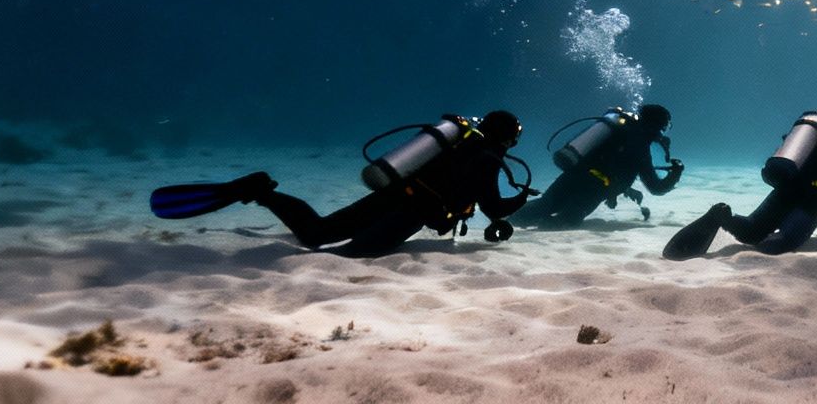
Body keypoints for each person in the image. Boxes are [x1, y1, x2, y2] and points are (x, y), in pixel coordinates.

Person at [148, 111, 532, 257]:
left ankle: (260, 191)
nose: (513, 145)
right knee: (351, 253)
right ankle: (259, 192)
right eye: (513, 139)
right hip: (411, 212)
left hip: (395, 192)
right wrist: (519, 201)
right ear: (506, 138)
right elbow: (493, 209)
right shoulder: (486, 159)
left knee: (318, 232)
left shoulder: (461, 146)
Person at [663, 102, 817, 259]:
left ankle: (720, 215)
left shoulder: (814, 140)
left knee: (751, 232)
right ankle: (752, 257)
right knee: (780, 245)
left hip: (787, 188)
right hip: (812, 205)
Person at [520, 103, 684, 226]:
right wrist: (676, 173)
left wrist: (625, 188)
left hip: (574, 174)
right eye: (664, 128)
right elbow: (656, 188)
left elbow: (607, 161)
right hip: (593, 190)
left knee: (541, 207)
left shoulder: (620, 129)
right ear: (658, 126)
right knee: (566, 221)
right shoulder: (640, 144)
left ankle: (504, 220)